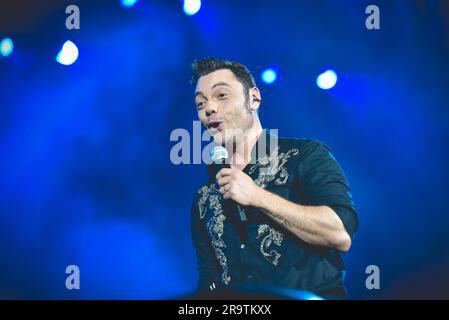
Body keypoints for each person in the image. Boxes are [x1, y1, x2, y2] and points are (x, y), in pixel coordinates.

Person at [190, 57, 359, 300]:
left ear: (254, 98)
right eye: (200, 103)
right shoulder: (204, 198)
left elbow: (339, 234)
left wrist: (257, 196)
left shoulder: (305, 156)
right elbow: (209, 283)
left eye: (222, 95)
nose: (209, 108)